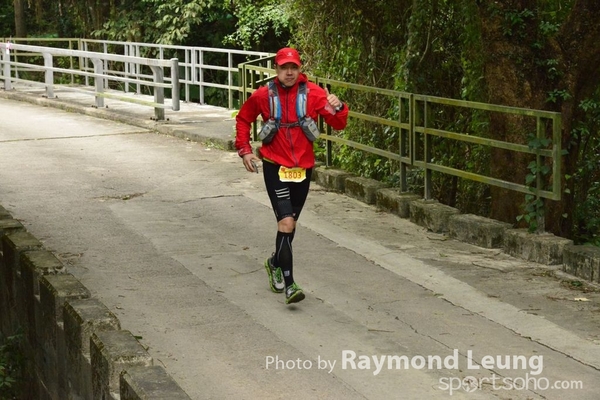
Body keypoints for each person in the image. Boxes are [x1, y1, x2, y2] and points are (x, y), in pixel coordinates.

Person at [235, 47, 349, 304]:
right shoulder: (264, 95)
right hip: (275, 166)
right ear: (276, 69)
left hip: (302, 169)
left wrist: (339, 106)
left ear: (299, 69)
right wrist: (245, 150)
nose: (289, 72)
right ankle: (290, 286)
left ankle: (274, 263)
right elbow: (243, 119)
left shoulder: (314, 94)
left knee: (290, 225)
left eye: (293, 68)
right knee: (286, 222)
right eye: (284, 68)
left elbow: (339, 123)